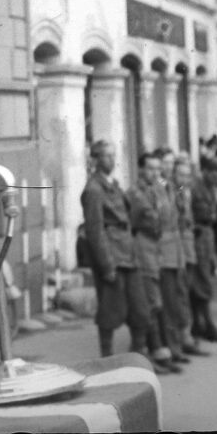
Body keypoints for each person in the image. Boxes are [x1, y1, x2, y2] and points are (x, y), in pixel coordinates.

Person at [79, 140, 150, 364]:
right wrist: (107, 264)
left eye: (113, 155)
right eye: (106, 156)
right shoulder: (93, 189)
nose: (111, 160)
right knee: (110, 312)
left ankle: (138, 357)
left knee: (140, 310)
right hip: (112, 257)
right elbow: (95, 230)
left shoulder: (114, 185)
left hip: (128, 254)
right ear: (95, 160)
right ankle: (106, 360)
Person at [127, 152, 182, 374]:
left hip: (155, 248)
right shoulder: (135, 193)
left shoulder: (155, 191)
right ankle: (148, 353)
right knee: (151, 303)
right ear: (140, 169)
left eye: (158, 169)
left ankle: (157, 351)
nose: (155, 173)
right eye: (150, 168)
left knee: (156, 302)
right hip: (142, 248)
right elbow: (139, 221)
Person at [170, 154, 210, 357]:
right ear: (173, 174)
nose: (184, 179)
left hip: (189, 249)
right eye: (180, 174)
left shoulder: (187, 192)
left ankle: (186, 334)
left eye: (187, 175)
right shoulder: (171, 193)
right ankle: (181, 337)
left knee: (187, 292)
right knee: (179, 295)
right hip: (177, 251)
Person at [188, 161, 217, 343]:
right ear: (205, 171)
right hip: (197, 236)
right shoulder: (193, 186)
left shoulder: (209, 188)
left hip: (207, 234)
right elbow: (179, 198)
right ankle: (206, 324)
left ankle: (199, 324)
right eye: (214, 173)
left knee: (203, 279)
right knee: (201, 281)